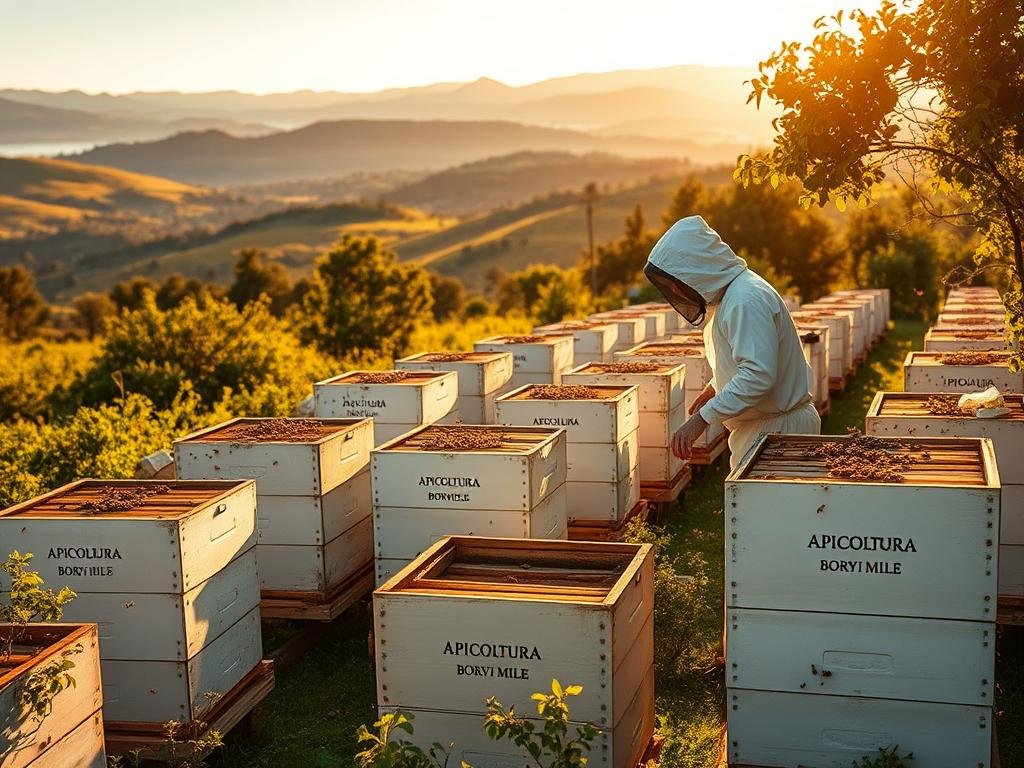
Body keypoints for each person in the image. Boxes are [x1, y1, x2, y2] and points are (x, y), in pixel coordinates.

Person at [644, 215, 820, 469]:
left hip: (778, 432)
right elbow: (748, 360)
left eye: (676, 282)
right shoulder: (736, 295)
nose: (675, 291)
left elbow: (758, 374)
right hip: (770, 428)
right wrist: (715, 388)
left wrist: (701, 419)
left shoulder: (745, 300)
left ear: (695, 268)